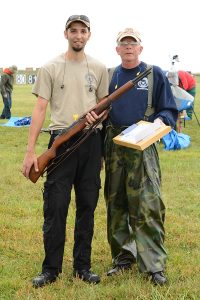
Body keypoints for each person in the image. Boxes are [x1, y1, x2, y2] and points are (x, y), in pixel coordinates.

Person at [22, 15, 108, 288]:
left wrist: (99, 120)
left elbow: (106, 106)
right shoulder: (51, 67)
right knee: (55, 208)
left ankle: (83, 267)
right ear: (66, 33)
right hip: (60, 141)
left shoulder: (99, 68)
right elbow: (39, 109)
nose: (78, 35)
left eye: (83, 31)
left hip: (91, 142)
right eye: (74, 30)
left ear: (89, 35)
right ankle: (50, 270)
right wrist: (30, 151)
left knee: (87, 207)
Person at [104, 28, 178, 285]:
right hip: (114, 146)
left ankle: (153, 266)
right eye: (123, 44)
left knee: (148, 205)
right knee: (116, 205)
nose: (128, 47)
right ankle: (123, 258)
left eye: (132, 43)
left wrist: (158, 122)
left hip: (142, 146)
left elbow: (169, 110)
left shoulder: (154, 73)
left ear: (140, 48)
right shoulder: (110, 75)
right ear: (117, 49)